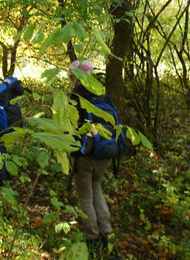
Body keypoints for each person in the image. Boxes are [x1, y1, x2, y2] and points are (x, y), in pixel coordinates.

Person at [68, 60, 115, 255]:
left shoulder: (76, 96)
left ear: (76, 77)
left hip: (84, 154)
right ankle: (107, 233)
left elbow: (69, 125)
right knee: (96, 188)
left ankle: (92, 238)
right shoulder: (103, 93)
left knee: (85, 196)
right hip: (105, 152)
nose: (70, 79)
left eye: (71, 76)